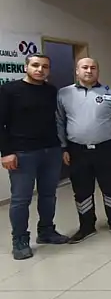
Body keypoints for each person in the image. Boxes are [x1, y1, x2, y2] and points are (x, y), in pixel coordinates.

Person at [0, 54, 69, 260]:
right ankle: (20, 240)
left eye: (45, 66)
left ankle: (46, 231)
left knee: (48, 195)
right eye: (35, 65)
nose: (40, 69)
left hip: (51, 150)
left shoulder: (51, 90)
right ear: (26, 67)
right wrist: (6, 152)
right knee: (21, 199)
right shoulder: (9, 90)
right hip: (23, 152)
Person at [57, 58, 111, 243]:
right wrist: (63, 147)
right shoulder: (64, 94)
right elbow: (60, 122)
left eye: (93, 68)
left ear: (98, 71)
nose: (89, 71)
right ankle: (86, 226)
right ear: (77, 71)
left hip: (106, 149)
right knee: (82, 190)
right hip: (77, 150)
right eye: (85, 67)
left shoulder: (110, 92)